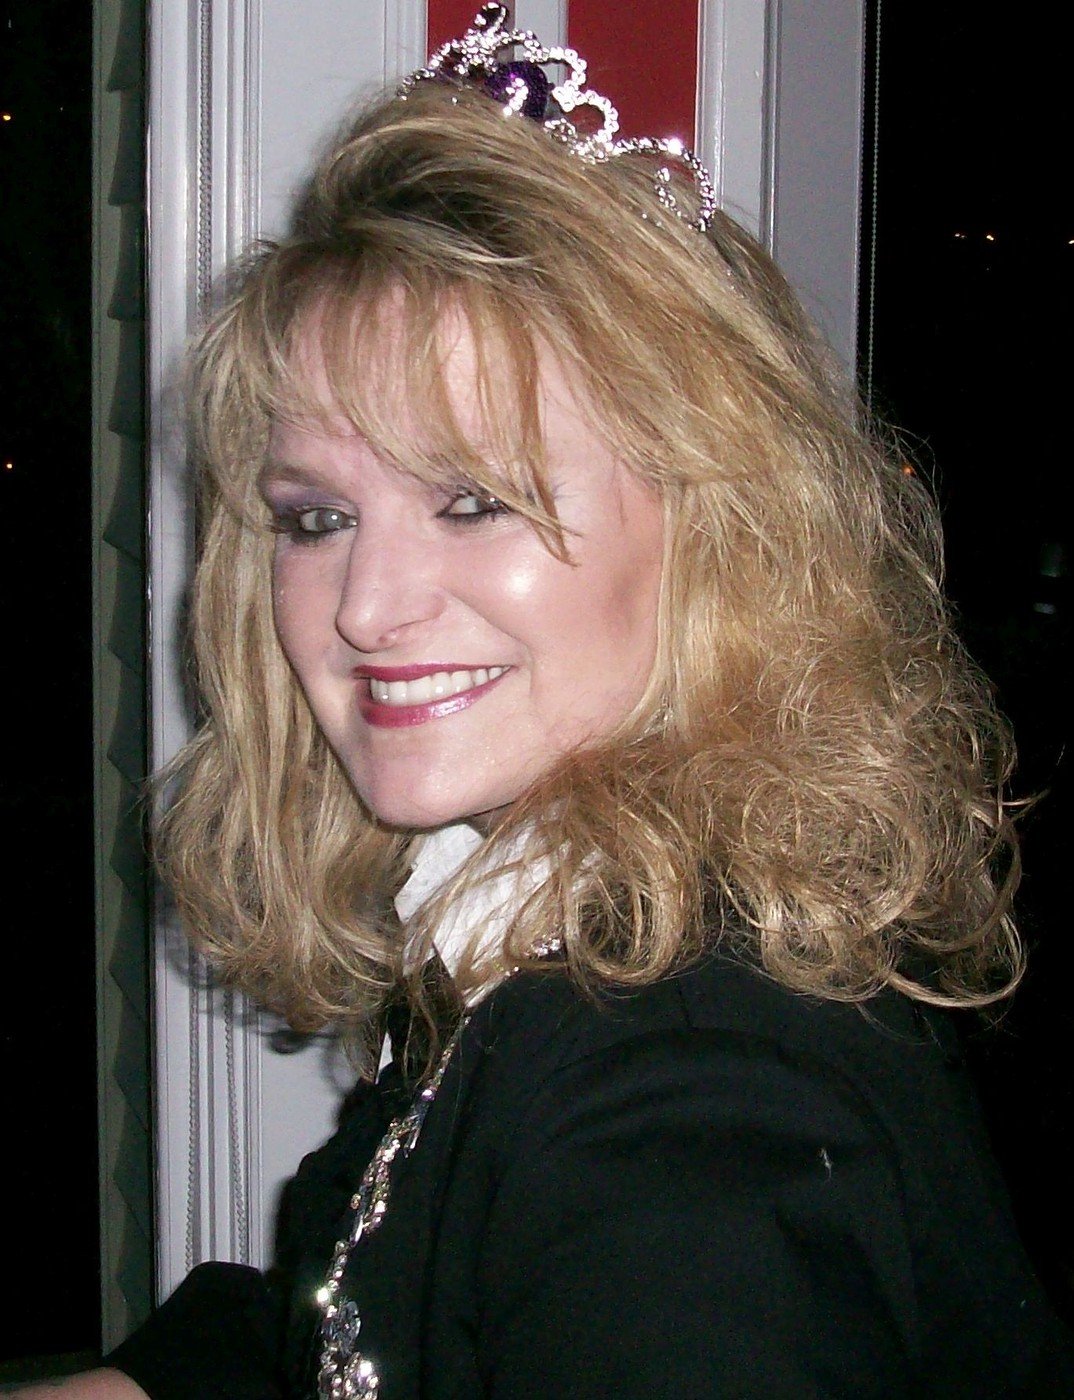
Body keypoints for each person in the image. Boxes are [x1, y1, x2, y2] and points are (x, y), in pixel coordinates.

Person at [26, 6, 1073, 1396]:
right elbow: (357, 1303)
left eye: (474, 498)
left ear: (715, 534)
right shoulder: (560, 921)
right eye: (317, 518)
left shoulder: (684, 1108)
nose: (363, 607)